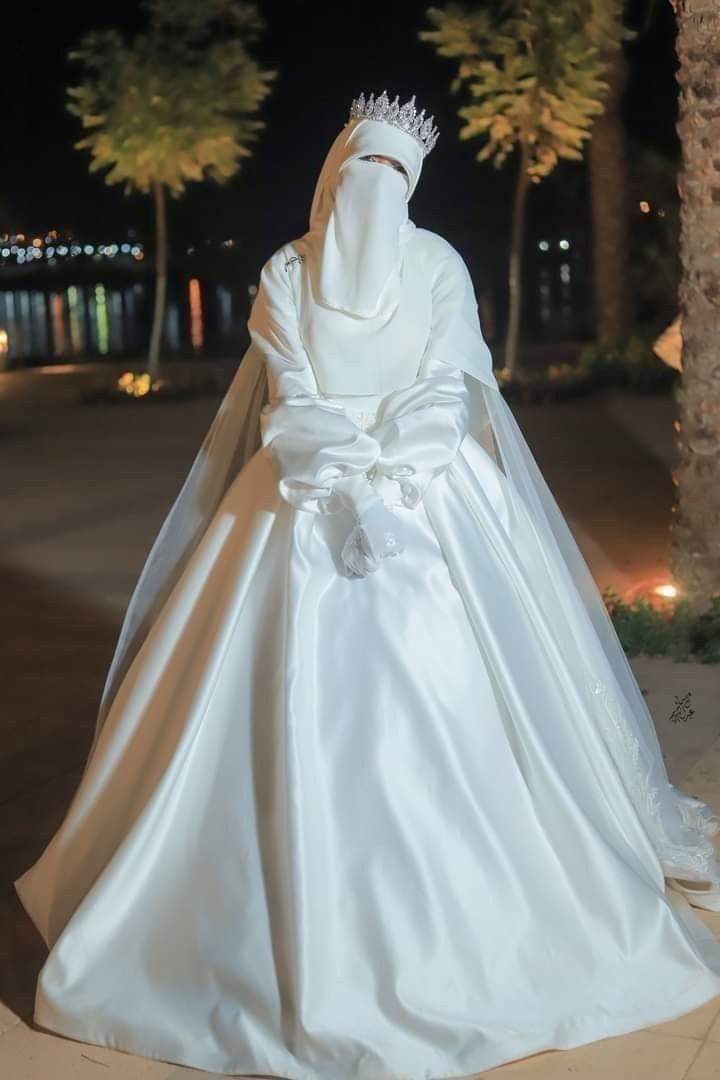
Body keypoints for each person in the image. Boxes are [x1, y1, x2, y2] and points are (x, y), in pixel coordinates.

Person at [14, 90, 720, 1080]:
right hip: (299, 501)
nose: (373, 198)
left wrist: (393, 479)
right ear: (334, 177)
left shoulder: (436, 265)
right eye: (362, 175)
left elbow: (447, 383)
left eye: (393, 180)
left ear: (410, 188)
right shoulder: (282, 274)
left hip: (435, 501)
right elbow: (288, 397)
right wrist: (341, 488)